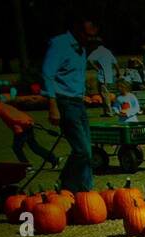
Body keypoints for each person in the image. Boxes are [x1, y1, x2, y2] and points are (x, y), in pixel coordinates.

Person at [42, 18, 97, 192]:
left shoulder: (81, 47)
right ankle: (65, 184)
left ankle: (86, 190)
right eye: (88, 35)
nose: (90, 39)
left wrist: (83, 96)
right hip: (64, 102)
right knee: (82, 150)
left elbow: (72, 76)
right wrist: (53, 105)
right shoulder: (60, 45)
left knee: (88, 149)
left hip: (78, 102)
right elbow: (47, 74)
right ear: (78, 31)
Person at [0, 95, 59, 169]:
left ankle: (27, 166)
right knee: (34, 147)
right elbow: (17, 113)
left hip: (21, 129)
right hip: (26, 126)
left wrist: (26, 122)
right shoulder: (3, 105)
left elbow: (12, 118)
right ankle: (54, 160)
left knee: (17, 148)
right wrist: (29, 121)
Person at [87, 35, 117, 115]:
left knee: (104, 95)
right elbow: (115, 62)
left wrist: (96, 68)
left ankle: (109, 111)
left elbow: (89, 60)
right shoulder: (107, 51)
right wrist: (118, 73)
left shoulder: (97, 51)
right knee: (106, 94)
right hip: (109, 76)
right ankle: (107, 111)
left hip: (102, 77)